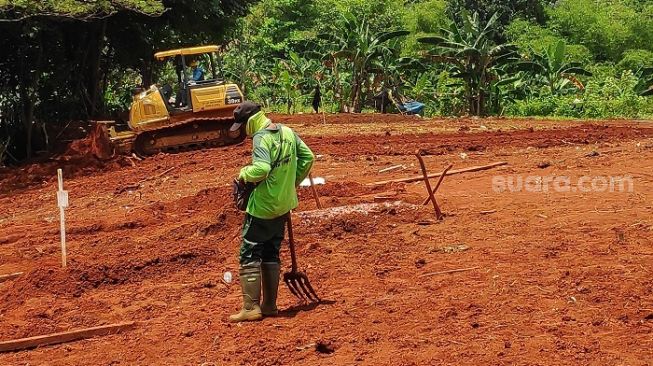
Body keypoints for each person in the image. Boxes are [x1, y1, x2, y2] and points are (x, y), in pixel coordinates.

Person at [228, 101, 315, 322]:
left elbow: (262, 169)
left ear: (250, 121)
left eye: (242, 125)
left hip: (262, 207)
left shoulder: (260, 138)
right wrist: (290, 184)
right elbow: (308, 158)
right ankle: (269, 305)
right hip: (283, 206)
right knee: (271, 251)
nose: (243, 132)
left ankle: (250, 308)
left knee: (249, 253)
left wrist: (243, 173)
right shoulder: (287, 132)